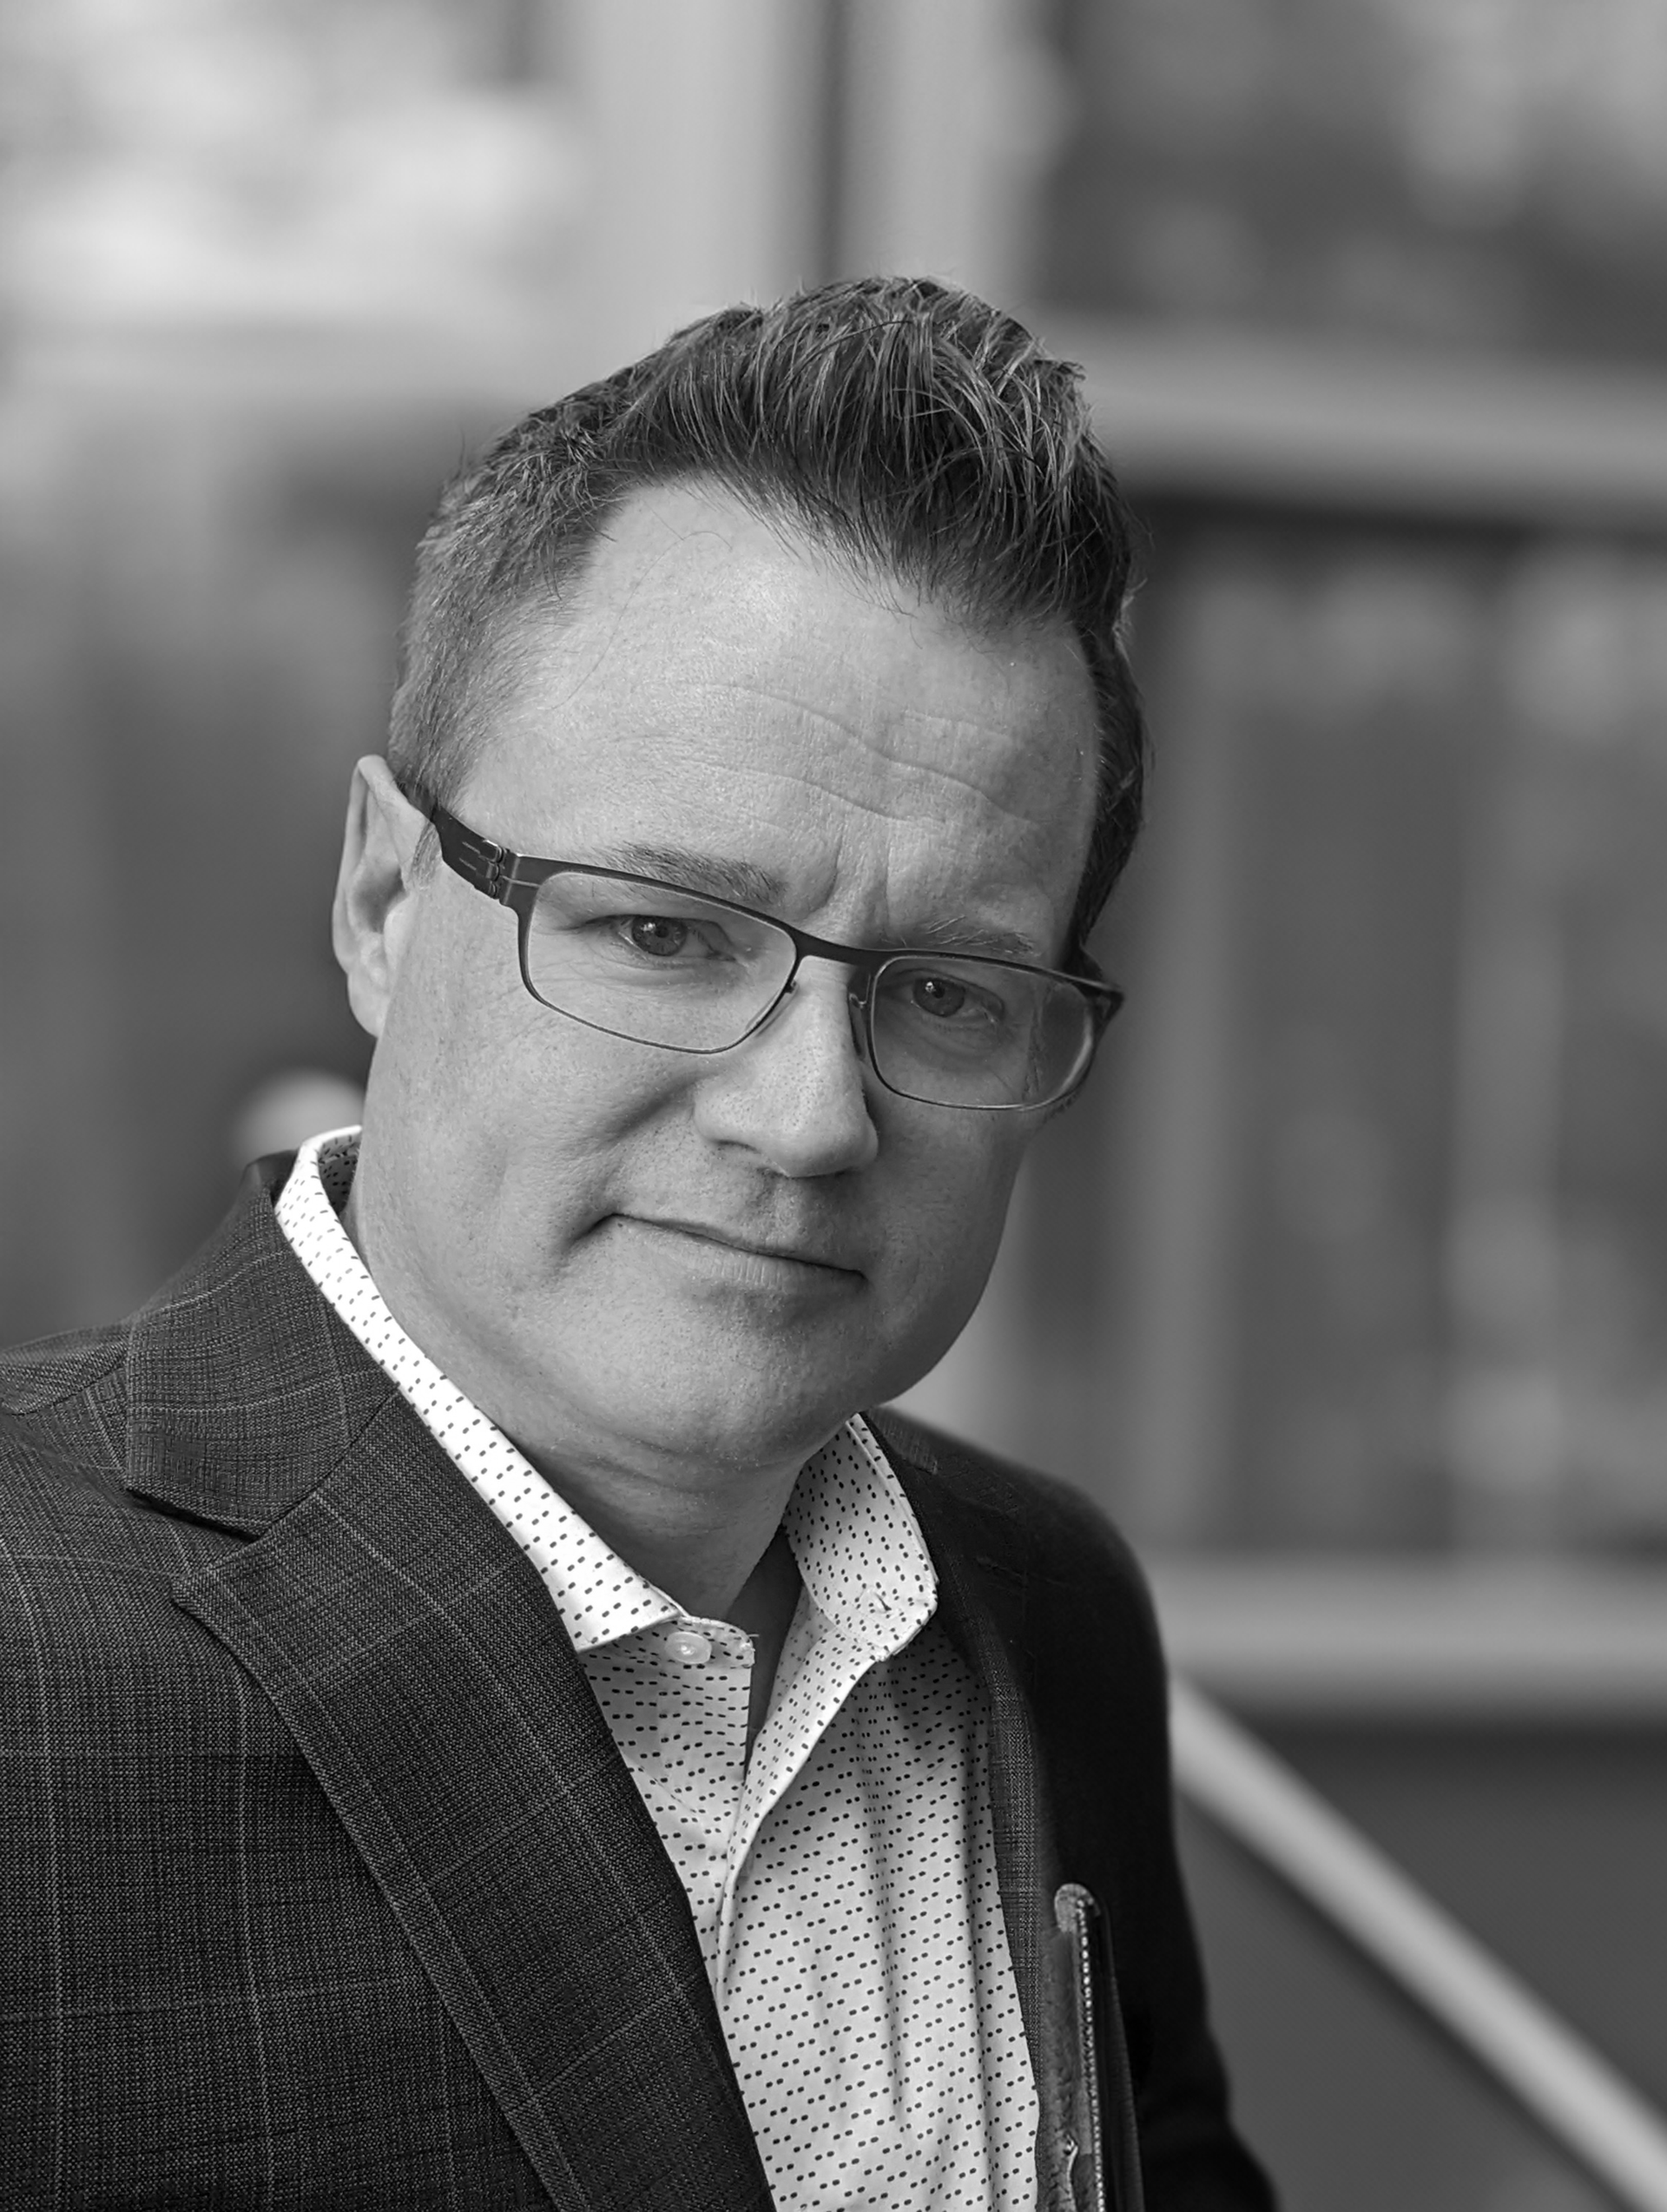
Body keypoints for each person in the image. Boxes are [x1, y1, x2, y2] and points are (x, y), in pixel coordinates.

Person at [0, 278, 1273, 2211]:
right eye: (666, 931)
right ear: (379, 897)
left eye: (944, 991)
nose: (809, 1115)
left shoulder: (1045, 1611)